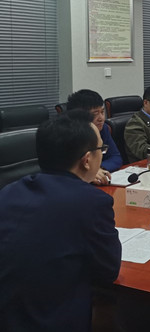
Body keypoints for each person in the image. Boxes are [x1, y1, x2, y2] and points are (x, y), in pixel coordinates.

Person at [0, 111, 121, 331]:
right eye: (101, 149)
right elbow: (108, 271)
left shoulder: (9, 191)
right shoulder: (91, 202)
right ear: (86, 160)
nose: (102, 155)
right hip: (50, 319)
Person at [67, 89, 122, 184]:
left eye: (102, 112)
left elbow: (115, 157)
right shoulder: (67, 135)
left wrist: (98, 169)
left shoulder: (103, 129)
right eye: (95, 114)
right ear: (79, 116)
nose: (101, 118)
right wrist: (88, 172)